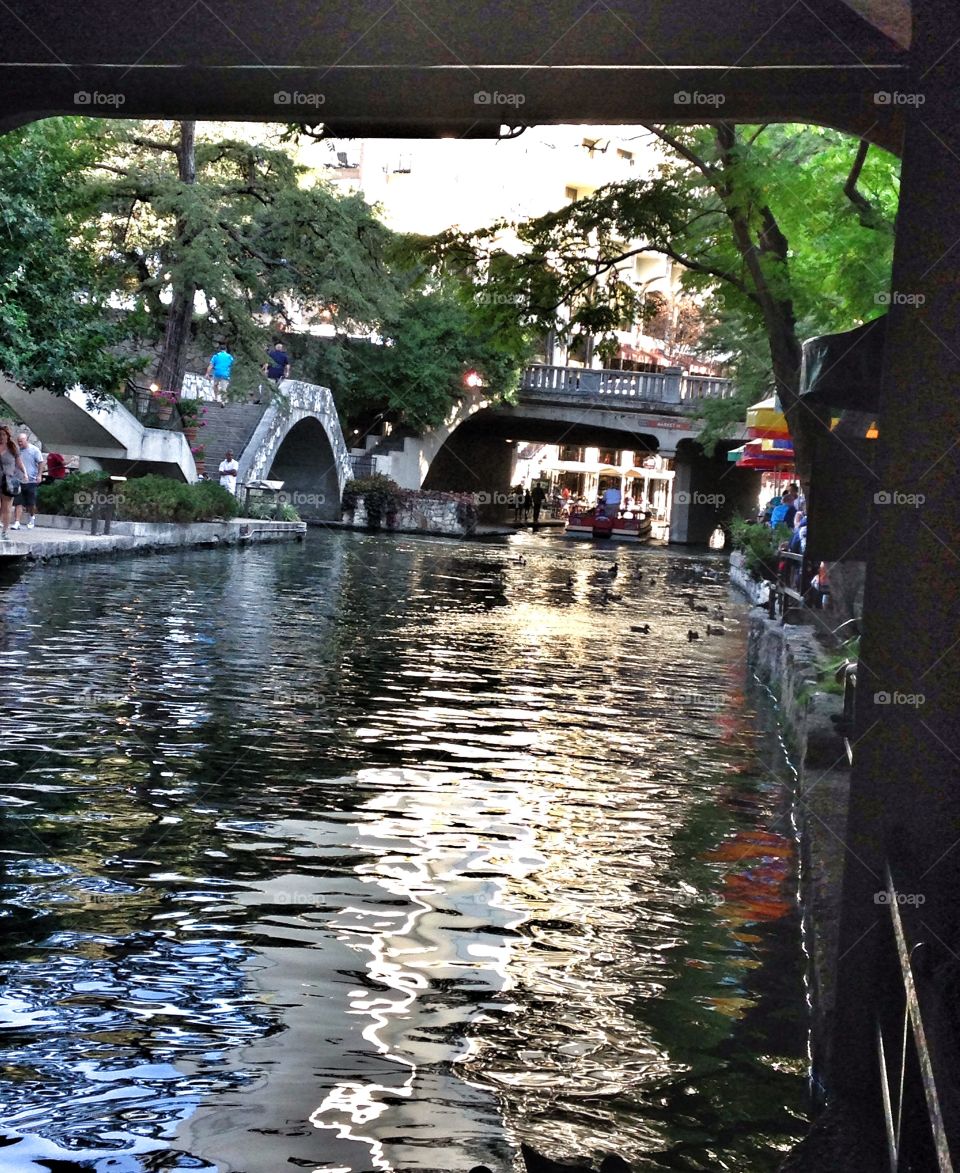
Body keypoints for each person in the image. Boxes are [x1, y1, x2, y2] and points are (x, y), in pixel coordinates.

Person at [0, 425, 26, 541]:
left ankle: (5, 531)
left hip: (8, 480)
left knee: (7, 507)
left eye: (3, 435)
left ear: (8, 435)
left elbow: (19, 463)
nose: (1, 437)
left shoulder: (12, 447)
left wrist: (24, 473)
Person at [12, 432, 42, 531]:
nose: (19, 443)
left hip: (31, 480)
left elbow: (40, 462)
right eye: (18, 441)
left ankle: (32, 517)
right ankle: (17, 522)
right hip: (18, 479)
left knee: (31, 503)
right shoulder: (16, 450)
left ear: (26, 440)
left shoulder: (34, 450)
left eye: (21, 441)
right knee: (18, 502)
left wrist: (39, 475)